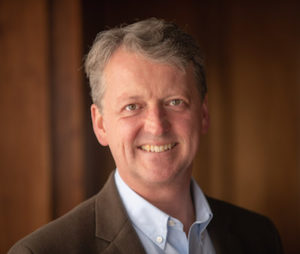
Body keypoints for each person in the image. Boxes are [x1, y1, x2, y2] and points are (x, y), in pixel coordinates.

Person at [8, 18, 283, 254]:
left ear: (203, 114)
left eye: (175, 102)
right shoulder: (42, 251)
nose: (157, 126)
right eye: (132, 107)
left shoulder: (259, 236)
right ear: (101, 124)